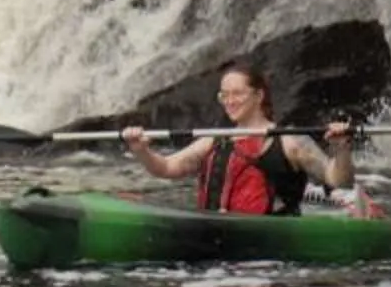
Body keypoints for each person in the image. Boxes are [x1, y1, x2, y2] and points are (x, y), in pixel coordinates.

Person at [122, 56, 355, 214]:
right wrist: (142, 151)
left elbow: (339, 180)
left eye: (237, 94)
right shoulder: (214, 140)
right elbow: (165, 168)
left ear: (258, 96)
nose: (230, 101)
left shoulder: (289, 141)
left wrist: (341, 148)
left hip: (270, 254)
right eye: (224, 95)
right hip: (217, 243)